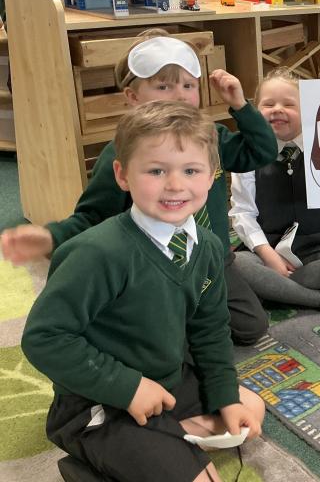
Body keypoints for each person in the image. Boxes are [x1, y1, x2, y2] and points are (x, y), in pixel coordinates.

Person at [22, 102, 265, 482]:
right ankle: (100, 454)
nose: (175, 185)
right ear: (122, 175)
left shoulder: (208, 247)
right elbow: (43, 337)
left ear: (212, 176)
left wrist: (225, 398)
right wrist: (129, 387)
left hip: (167, 381)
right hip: (96, 400)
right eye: (156, 171)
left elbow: (210, 330)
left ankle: (152, 445)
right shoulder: (96, 253)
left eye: (191, 170)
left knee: (249, 408)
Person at [1, 30, 278, 345]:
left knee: (251, 326)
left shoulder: (210, 137)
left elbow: (262, 151)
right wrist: (49, 237)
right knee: (161, 344)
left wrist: (241, 106)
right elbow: (92, 218)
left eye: (188, 86)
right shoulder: (122, 155)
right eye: (164, 86)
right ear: (132, 98)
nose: (180, 95)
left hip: (210, 259)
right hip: (151, 267)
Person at [227, 66, 320, 313]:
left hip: (315, 246)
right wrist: (269, 256)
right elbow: (242, 213)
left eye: (289, 104)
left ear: (310, 111)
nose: (277, 109)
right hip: (265, 247)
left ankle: (274, 291)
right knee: (237, 263)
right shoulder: (246, 155)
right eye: (268, 104)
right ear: (255, 112)